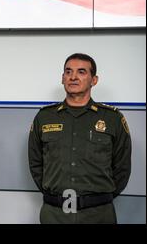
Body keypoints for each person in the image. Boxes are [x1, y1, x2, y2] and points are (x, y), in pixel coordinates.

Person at [28, 53, 132, 224]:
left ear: (94, 80)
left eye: (81, 72)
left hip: (99, 214)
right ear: (62, 78)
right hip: (54, 214)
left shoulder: (112, 118)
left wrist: (97, 198)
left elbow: (122, 168)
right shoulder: (44, 117)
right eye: (68, 72)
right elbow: (35, 164)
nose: (73, 77)